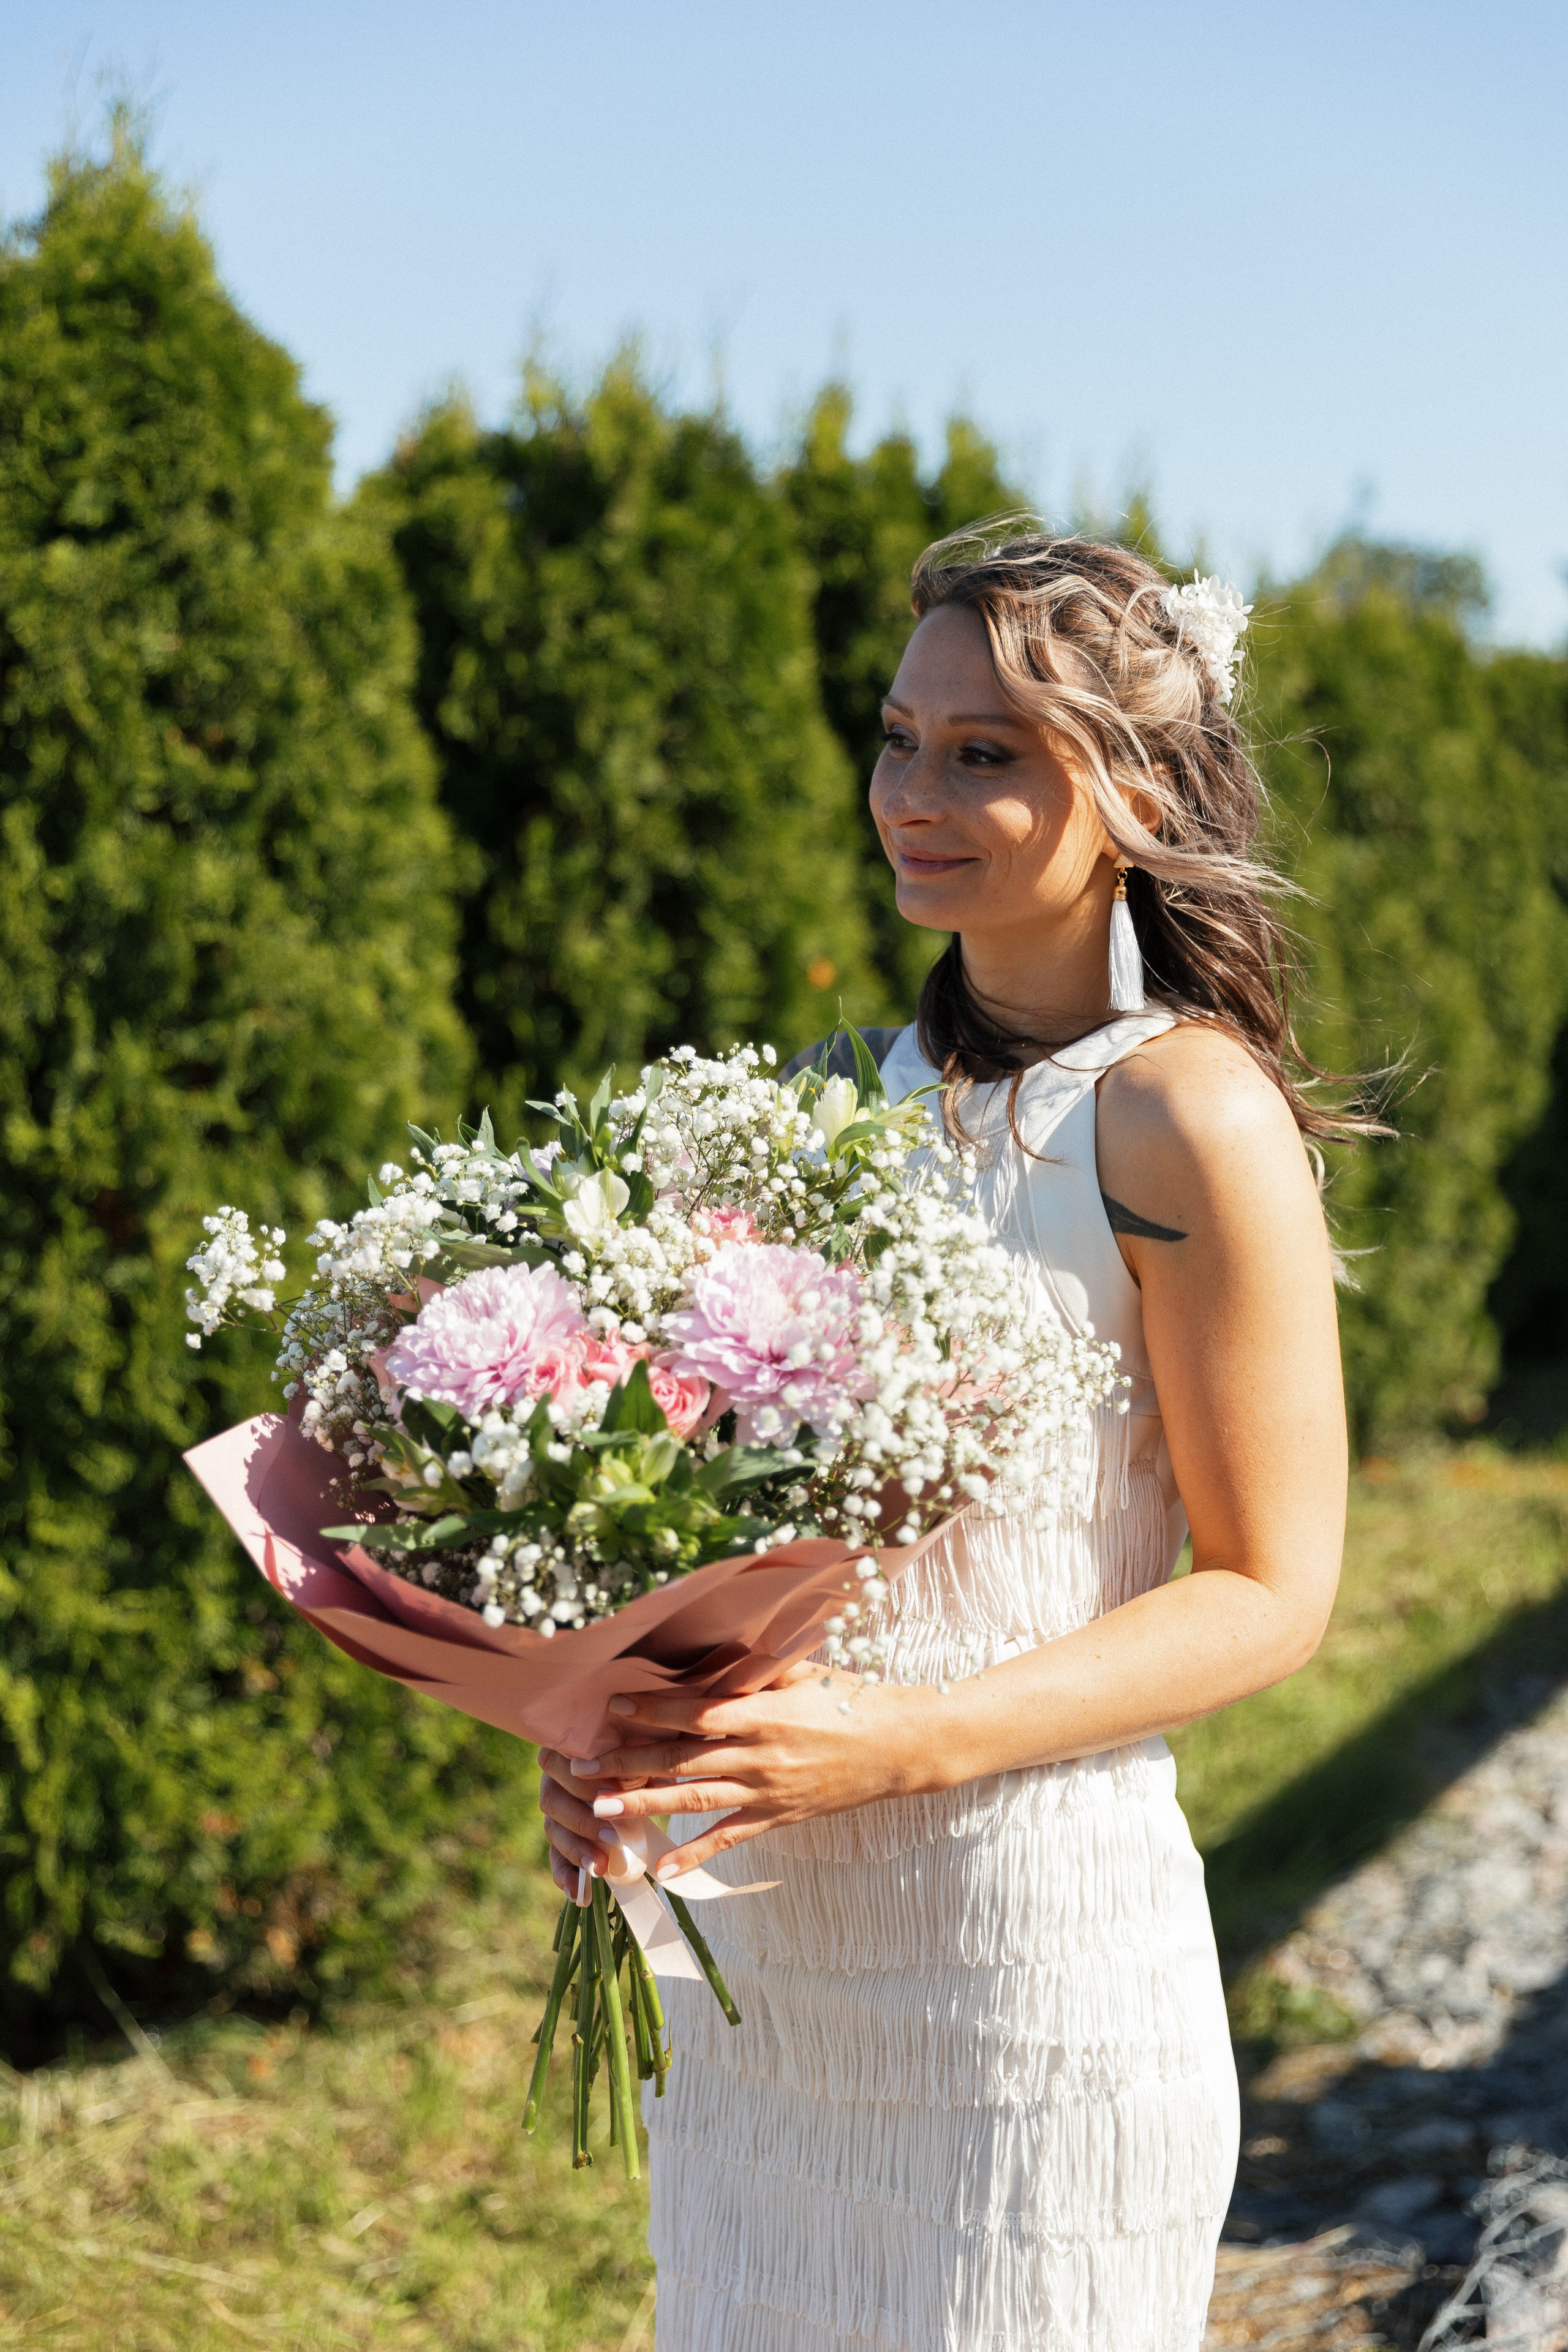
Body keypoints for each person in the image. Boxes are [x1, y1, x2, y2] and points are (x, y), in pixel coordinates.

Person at [537, 524, 1349, 2351]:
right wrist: (606, 1727)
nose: (914, 790)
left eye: (986, 752)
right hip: (766, 1982)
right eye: (901, 735)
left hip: (1026, 1975)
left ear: (1133, 784)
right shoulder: (827, 1108)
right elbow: (735, 1528)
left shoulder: (1180, 1116)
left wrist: (902, 1745)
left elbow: (1275, 1591)